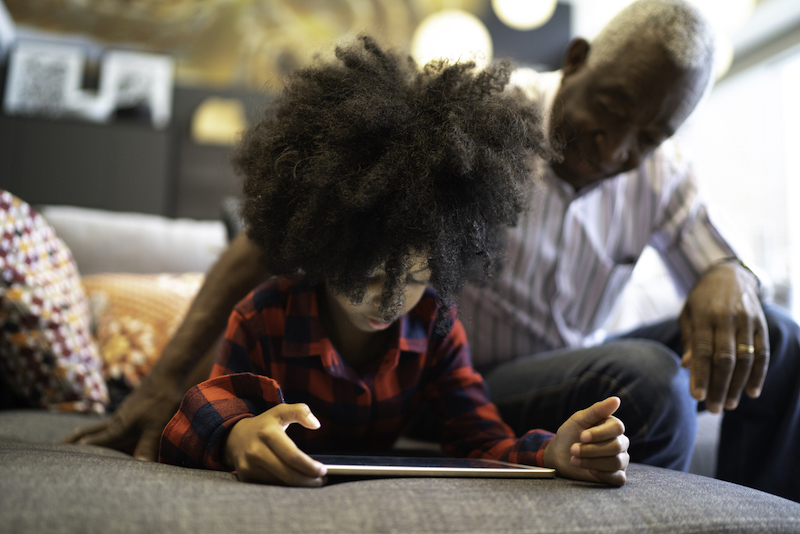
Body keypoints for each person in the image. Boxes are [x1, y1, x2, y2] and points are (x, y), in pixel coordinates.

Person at [67, 0, 800, 501]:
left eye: (652, 135)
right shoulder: (466, 125)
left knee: (779, 332)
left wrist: (728, 275)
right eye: (608, 112)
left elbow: (484, 436)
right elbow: (217, 388)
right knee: (652, 380)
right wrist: (194, 411)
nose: (616, 150)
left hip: (497, 378)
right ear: (576, 61)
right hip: (490, 371)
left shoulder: (434, 321)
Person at [156, 35, 629, 487]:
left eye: (420, 277)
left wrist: (551, 453)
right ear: (324, 246)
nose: (394, 298)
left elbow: (481, 438)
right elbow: (203, 406)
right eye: (373, 273)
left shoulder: (434, 331)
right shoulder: (264, 316)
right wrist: (239, 437)